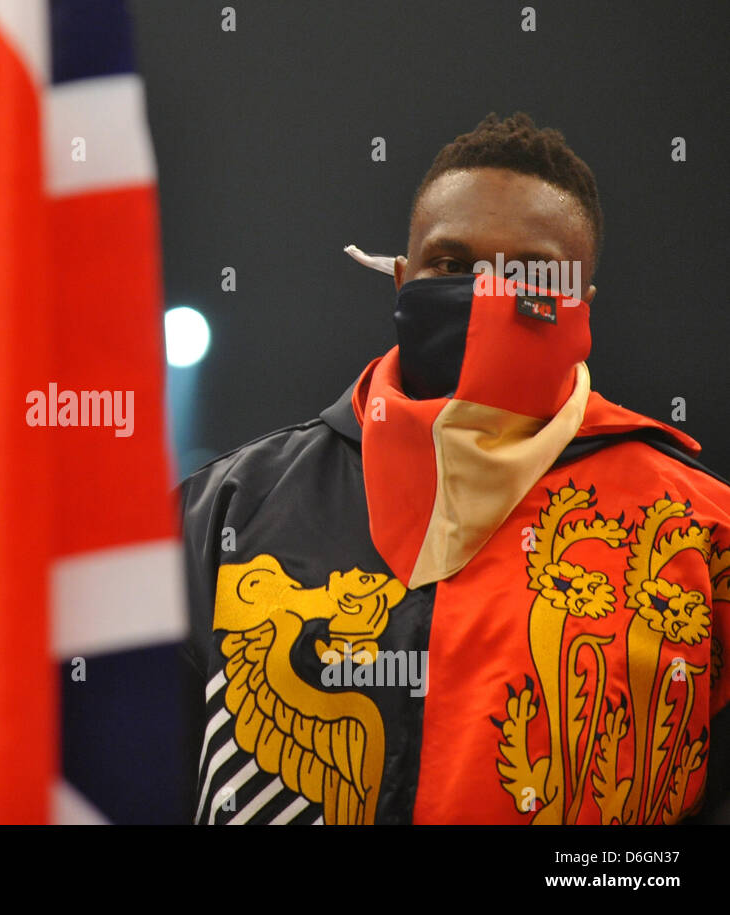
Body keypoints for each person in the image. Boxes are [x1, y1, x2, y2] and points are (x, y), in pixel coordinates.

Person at [179, 112, 729, 825]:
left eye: (529, 274)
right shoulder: (226, 506)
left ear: (583, 305)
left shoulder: (703, 533)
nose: (486, 297)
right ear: (403, 279)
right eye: (453, 265)